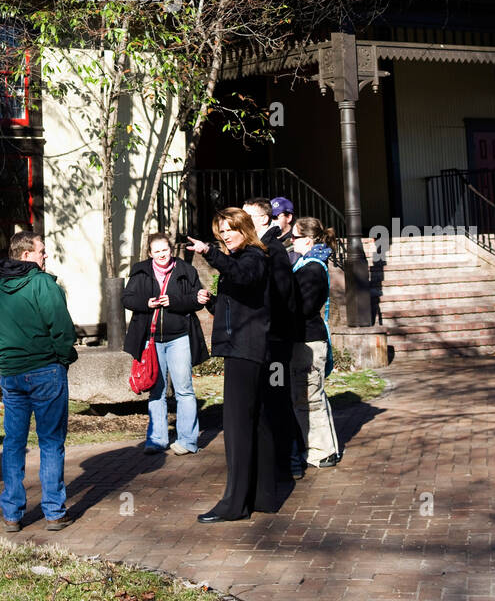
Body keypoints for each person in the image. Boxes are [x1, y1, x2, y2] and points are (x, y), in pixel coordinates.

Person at [187, 207, 297, 522]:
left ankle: (234, 504)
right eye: (221, 232)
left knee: (235, 427)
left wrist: (209, 252)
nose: (225, 236)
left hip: (246, 350)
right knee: (256, 421)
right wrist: (213, 304)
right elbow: (243, 302)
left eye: (229, 230)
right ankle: (264, 496)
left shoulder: (254, 256)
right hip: (244, 347)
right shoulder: (242, 259)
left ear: (244, 228)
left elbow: (244, 277)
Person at [0, 231, 77, 532]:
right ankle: (53, 512)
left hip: (12, 374)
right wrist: (61, 357)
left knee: (14, 442)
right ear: (26, 255)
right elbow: (62, 328)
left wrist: (4, 355)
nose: (45, 256)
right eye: (41, 251)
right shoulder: (43, 285)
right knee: (50, 441)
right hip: (46, 369)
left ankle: (12, 513)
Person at [123, 232, 211, 455]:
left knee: (184, 390)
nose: (162, 254)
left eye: (165, 250)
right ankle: (156, 439)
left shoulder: (185, 270)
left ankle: (188, 441)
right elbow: (127, 299)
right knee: (156, 391)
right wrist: (147, 303)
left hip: (179, 337)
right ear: (150, 253)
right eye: (157, 251)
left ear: (171, 250)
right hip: (150, 340)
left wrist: (175, 301)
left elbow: (196, 300)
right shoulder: (141, 270)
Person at [290, 217, 341, 471]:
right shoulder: (306, 264)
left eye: (294, 237)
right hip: (304, 340)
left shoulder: (311, 268)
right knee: (306, 395)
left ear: (308, 240)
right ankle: (320, 449)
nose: (291, 241)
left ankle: (323, 452)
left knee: (309, 397)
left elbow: (304, 307)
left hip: (308, 342)